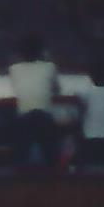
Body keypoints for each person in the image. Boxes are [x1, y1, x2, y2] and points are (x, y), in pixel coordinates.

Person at [8, 35, 61, 165]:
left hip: (24, 118)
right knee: (52, 157)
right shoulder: (50, 67)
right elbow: (57, 89)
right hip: (44, 118)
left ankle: (19, 175)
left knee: (20, 156)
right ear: (41, 51)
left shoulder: (14, 69)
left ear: (21, 53)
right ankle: (56, 174)